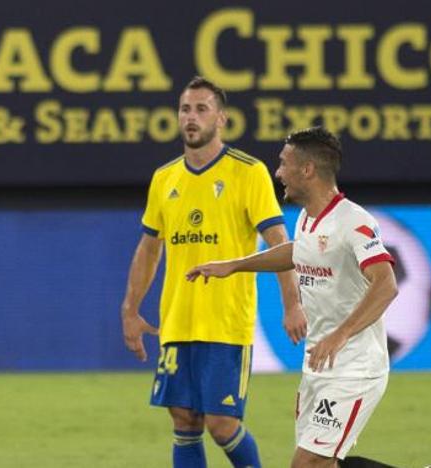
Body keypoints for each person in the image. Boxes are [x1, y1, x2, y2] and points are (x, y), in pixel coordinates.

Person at [187, 127, 398, 468]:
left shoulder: (355, 222)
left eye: (284, 163)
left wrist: (341, 334)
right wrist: (235, 265)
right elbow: (298, 251)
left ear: (308, 169)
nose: (278, 172)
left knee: (306, 464)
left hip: (355, 368)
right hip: (319, 364)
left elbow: (386, 285)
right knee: (323, 464)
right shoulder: (307, 219)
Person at [120, 77, 304, 468]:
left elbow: (280, 243)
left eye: (201, 109)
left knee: (222, 424)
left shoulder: (248, 172)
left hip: (225, 323)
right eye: (185, 109)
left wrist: (292, 304)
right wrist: (130, 309)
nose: (191, 117)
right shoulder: (164, 178)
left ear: (221, 118)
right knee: (184, 419)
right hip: (177, 322)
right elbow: (149, 247)